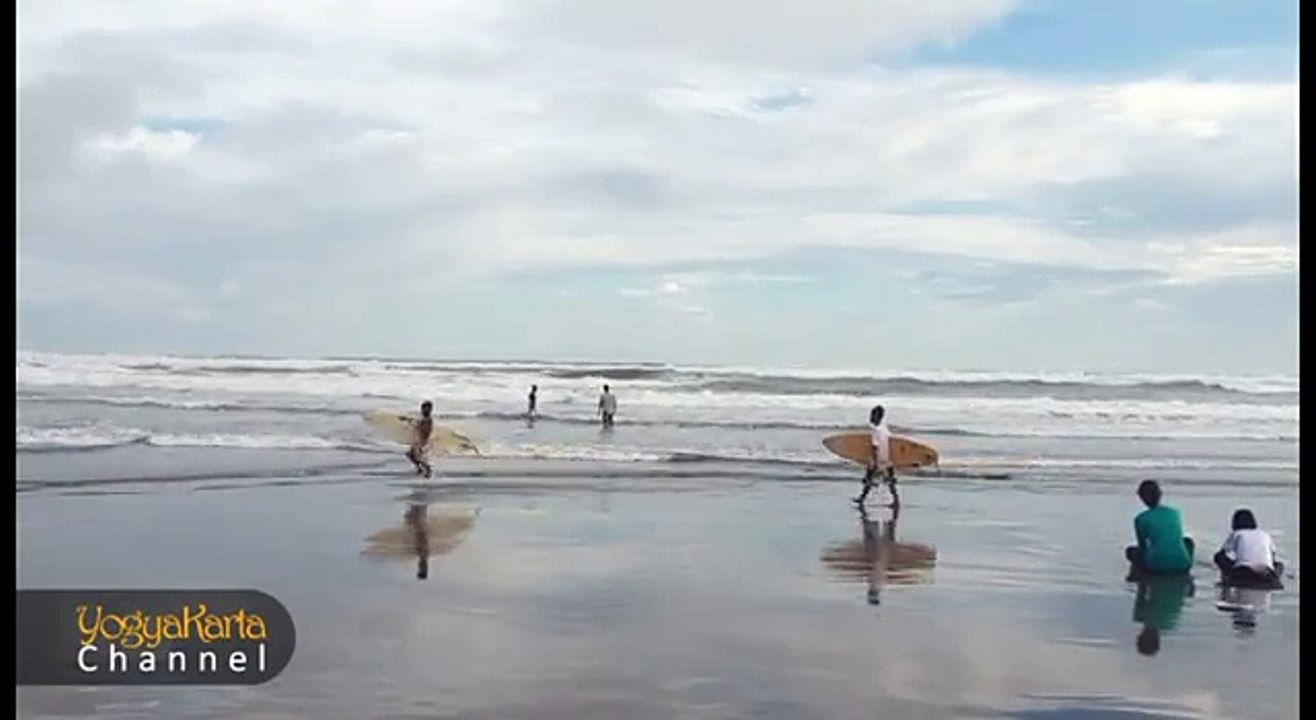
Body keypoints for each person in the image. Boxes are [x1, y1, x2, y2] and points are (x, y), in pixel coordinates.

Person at [1124, 480, 1194, 578]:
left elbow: (1142, 547)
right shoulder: (1175, 513)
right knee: (1188, 541)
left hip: (1156, 568)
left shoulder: (1140, 519)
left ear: (1141, 498)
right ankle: (1184, 562)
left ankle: (1138, 574)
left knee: (1131, 551)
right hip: (1182, 566)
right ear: (1160, 494)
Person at [1212, 508, 1284, 589]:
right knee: (1279, 564)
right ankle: (1275, 577)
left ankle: (1228, 579)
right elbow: (1272, 557)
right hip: (1266, 572)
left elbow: (1222, 553)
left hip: (1244, 572)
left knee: (1218, 556)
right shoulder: (1264, 535)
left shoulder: (1237, 534)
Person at [854, 405, 897, 509]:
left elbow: (875, 447)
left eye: (873, 415)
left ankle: (862, 498)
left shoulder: (875, 430)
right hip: (888, 459)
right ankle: (896, 501)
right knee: (890, 480)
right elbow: (891, 442)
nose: (871, 418)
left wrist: (874, 461)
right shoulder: (885, 429)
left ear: (877, 417)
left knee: (868, 479)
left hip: (879, 459)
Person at [405, 401, 435, 479]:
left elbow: (425, 430)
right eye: (423, 409)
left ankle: (427, 468)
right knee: (411, 455)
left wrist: (418, 425)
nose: (423, 410)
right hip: (418, 440)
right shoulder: (424, 419)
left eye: (426, 409)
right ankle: (420, 468)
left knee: (416, 456)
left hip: (421, 441)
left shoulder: (428, 419)